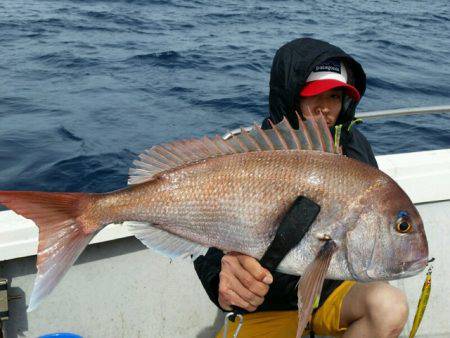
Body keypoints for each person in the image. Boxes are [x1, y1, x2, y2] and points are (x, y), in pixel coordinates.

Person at [194, 38, 409, 338]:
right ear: (291, 96)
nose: (325, 109)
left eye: (334, 96)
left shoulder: (356, 148)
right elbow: (203, 246)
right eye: (314, 96)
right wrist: (221, 276)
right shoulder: (252, 156)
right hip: (266, 305)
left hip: (331, 295)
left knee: (388, 305)